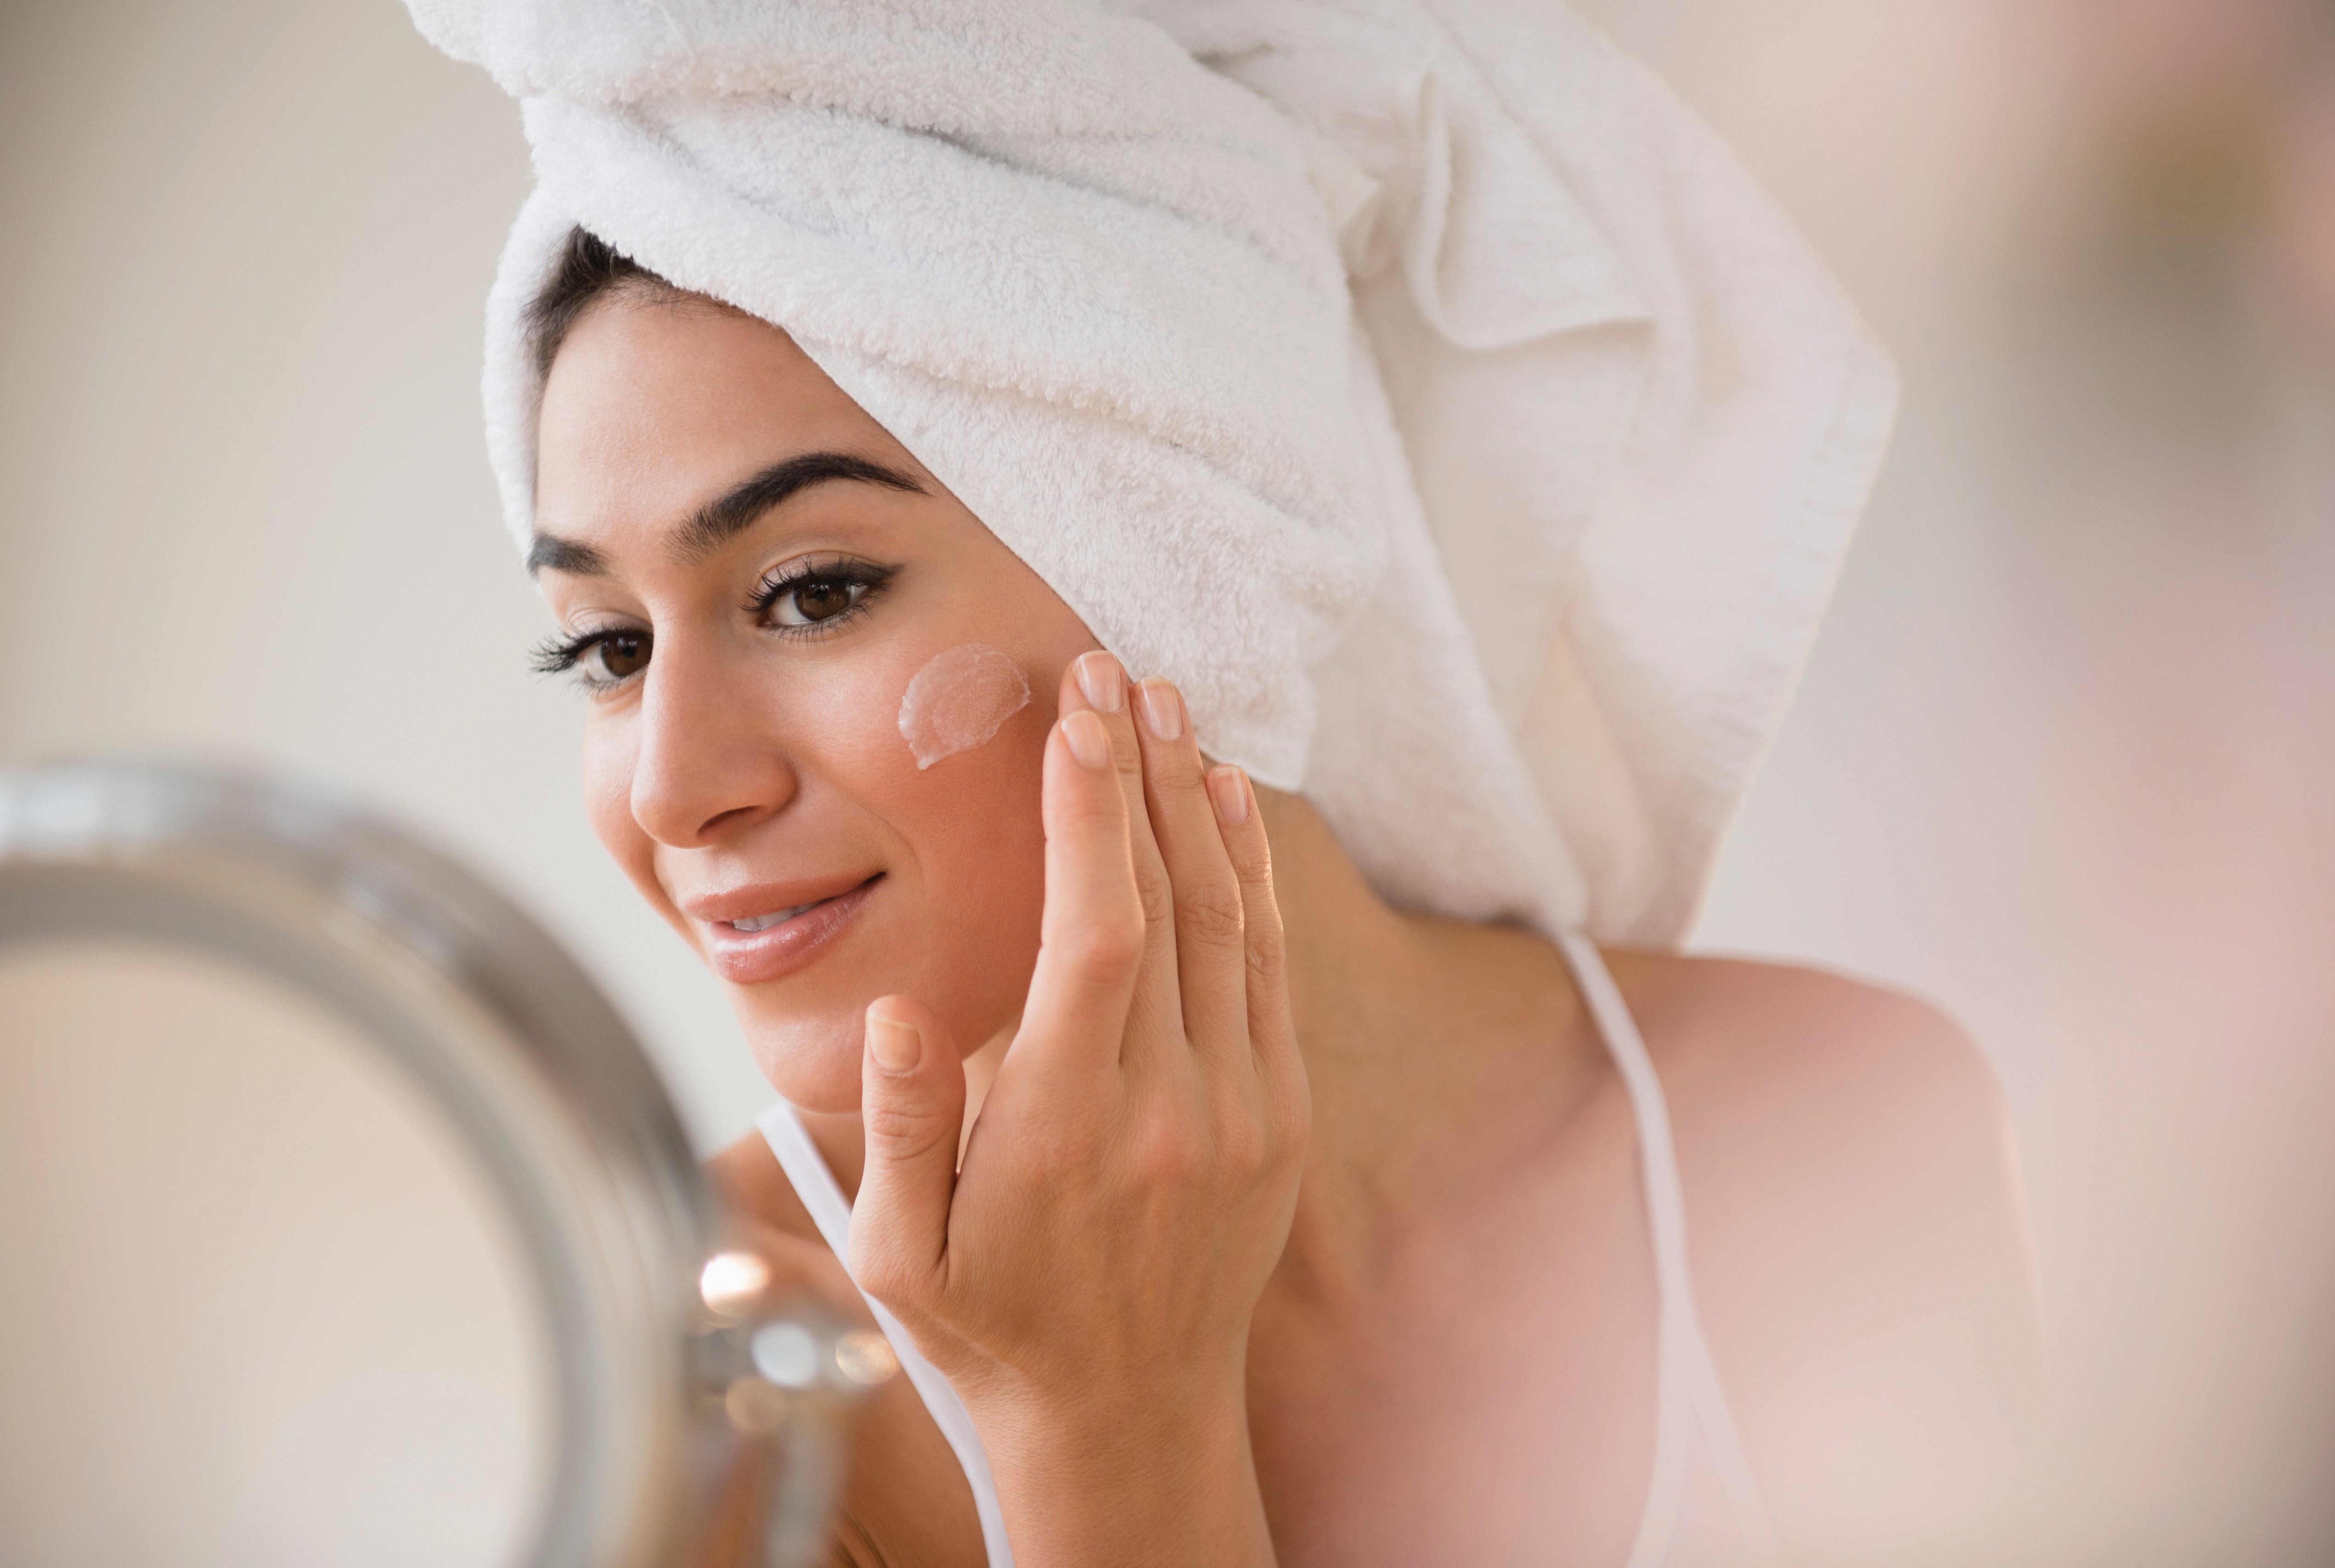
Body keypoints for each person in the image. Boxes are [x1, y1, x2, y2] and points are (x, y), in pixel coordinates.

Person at [414, 2, 2042, 1563]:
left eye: (814, 591)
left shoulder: (1827, 1133)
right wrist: (1096, 1423)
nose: (678, 789)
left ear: (1188, 568)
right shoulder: (696, 1379)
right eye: (608, 650)